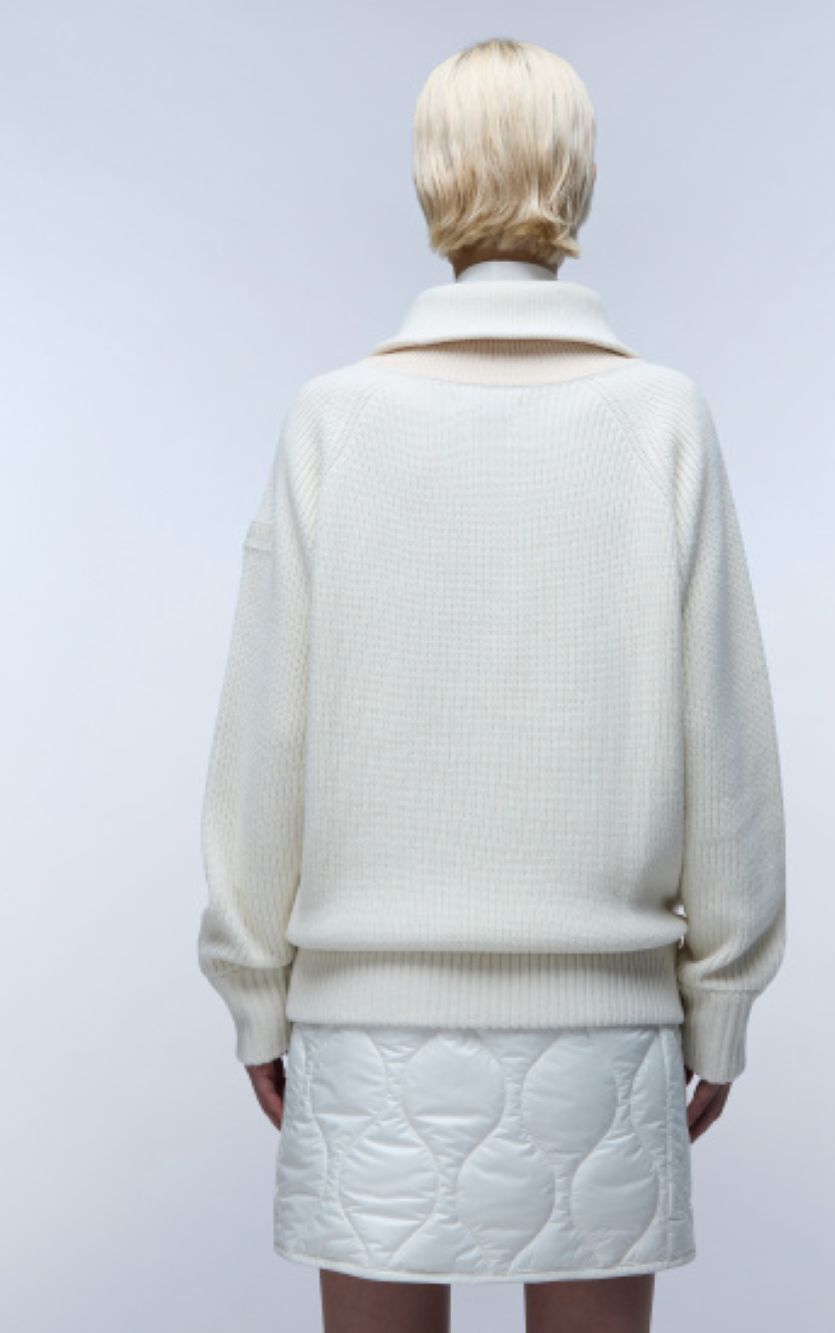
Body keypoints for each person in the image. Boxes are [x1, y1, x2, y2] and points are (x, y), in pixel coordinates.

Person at [196, 35, 786, 1333]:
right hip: (604, 1025)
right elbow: (727, 744)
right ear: (578, 177)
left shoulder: (333, 422)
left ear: (431, 176)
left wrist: (255, 992)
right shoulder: (663, 420)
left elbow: (264, 738)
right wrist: (724, 999)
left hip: (367, 1019)